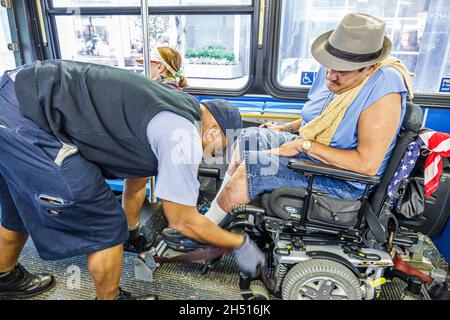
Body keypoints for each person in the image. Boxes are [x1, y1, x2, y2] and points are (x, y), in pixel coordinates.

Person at [0, 60, 265, 300]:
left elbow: (136, 181)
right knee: (103, 222)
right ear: (212, 133)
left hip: (15, 93)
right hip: (28, 114)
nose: (214, 156)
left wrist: (131, 232)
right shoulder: (183, 135)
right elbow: (182, 220)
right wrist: (237, 244)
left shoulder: (170, 108)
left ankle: (5, 277)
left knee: (18, 205)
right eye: (221, 147)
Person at [186, 12, 415, 227]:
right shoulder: (336, 75)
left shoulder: (384, 88)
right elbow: (319, 118)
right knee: (247, 138)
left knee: (254, 167)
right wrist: (285, 128)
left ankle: (206, 231)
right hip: (317, 154)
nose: (331, 75)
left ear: (369, 68)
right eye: (330, 66)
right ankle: (221, 213)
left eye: (343, 71)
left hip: (344, 181)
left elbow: (366, 165)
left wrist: (303, 145)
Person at [125, 47, 188, 253]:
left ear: (160, 67)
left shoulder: (152, 92)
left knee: (134, 187)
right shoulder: (176, 91)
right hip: (171, 148)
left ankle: (130, 234)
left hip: (147, 146)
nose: (142, 68)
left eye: (147, 64)